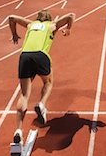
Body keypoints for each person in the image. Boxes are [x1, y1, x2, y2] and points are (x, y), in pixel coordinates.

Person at [8, 9, 75, 144]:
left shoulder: (30, 24)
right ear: (49, 19)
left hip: (25, 56)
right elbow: (71, 15)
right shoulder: (52, 25)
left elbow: (11, 17)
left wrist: (14, 34)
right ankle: (42, 104)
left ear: (37, 18)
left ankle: (18, 130)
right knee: (48, 82)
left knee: (24, 95)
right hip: (40, 55)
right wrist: (68, 29)